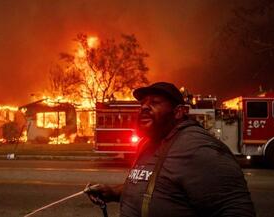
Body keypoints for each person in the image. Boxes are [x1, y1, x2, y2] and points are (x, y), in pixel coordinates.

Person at [85, 82, 256, 217]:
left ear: (178, 112)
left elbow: (235, 209)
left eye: (154, 103)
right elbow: (153, 185)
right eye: (143, 103)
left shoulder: (197, 147)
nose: (144, 107)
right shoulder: (148, 143)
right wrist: (113, 192)